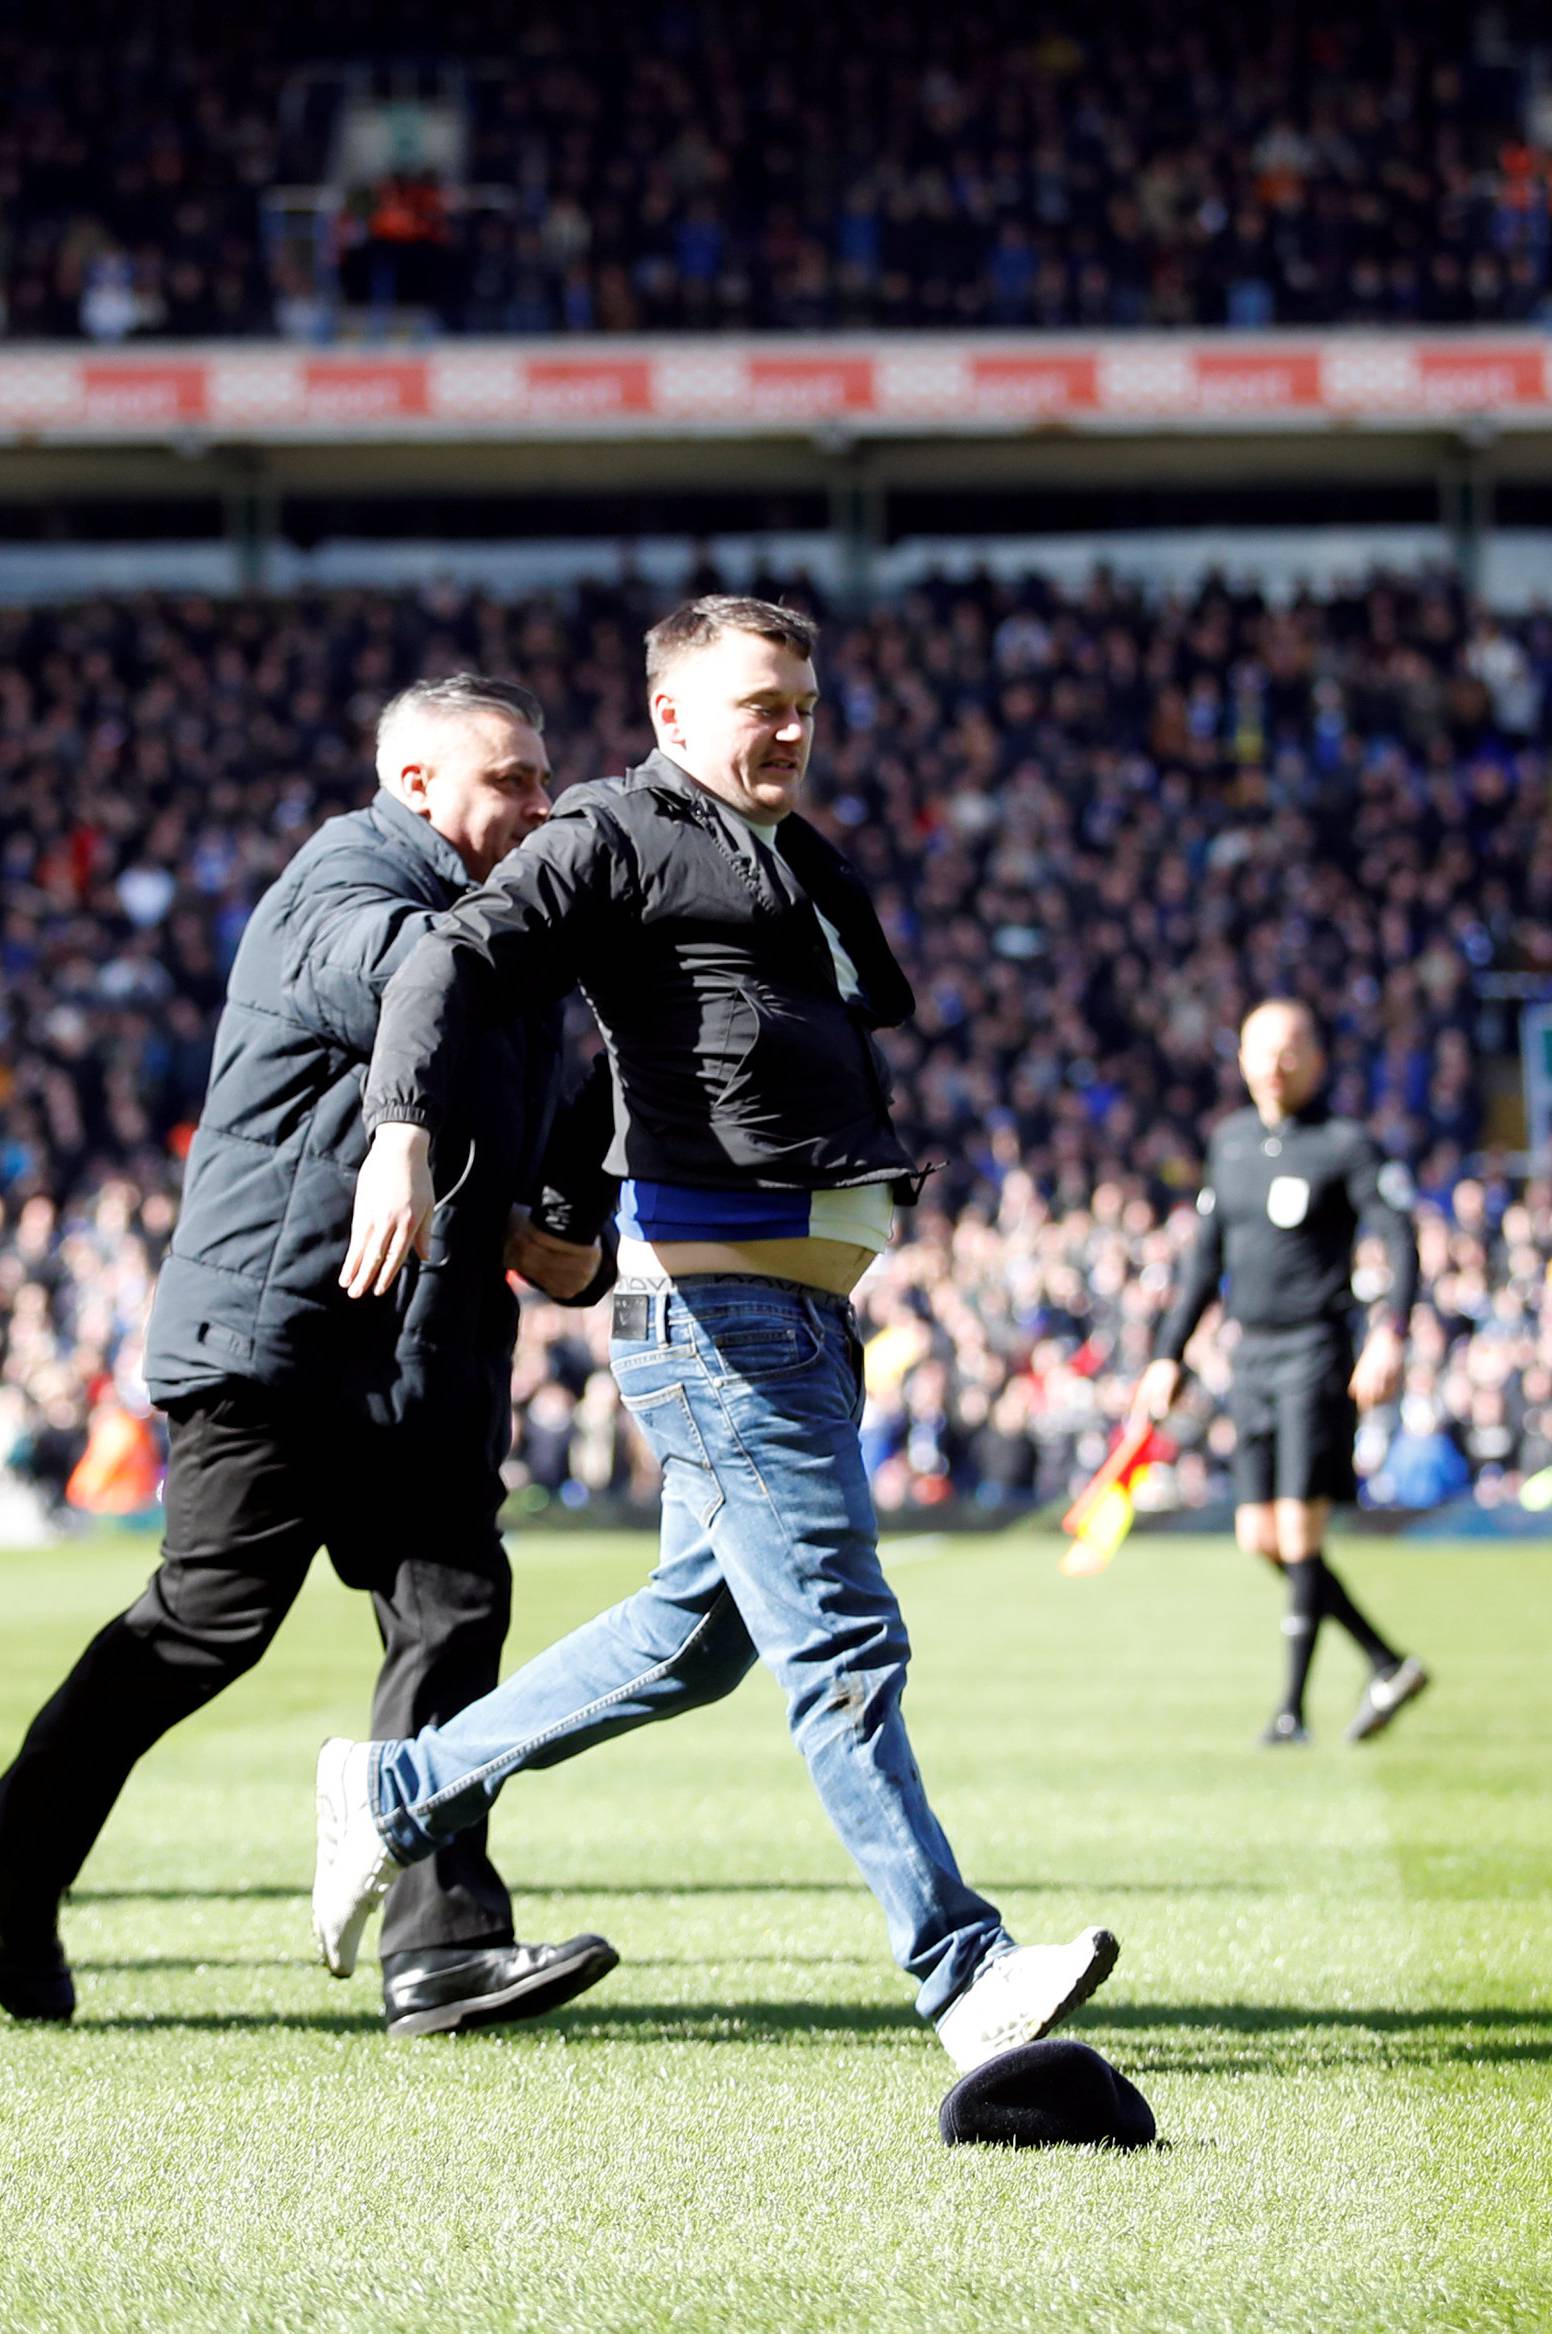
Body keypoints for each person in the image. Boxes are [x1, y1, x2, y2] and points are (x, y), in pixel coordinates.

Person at [315, 595, 1118, 2073]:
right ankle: (964, 1969)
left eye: (806, 698)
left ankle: (395, 1788)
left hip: (797, 1304)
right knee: (843, 1638)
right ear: (673, 717)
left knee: (692, 1641)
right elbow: (450, 960)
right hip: (718, 1310)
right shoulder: (614, 834)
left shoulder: (791, 852)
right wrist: (402, 1131)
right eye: (763, 701)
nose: (794, 726)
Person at [0, 676, 623, 2037]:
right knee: (203, 1626)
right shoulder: (340, 882)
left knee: (452, 1609)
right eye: (512, 780)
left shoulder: (512, 939)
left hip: (423, 1350)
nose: (540, 801)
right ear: (415, 785)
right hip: (280, 1332)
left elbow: (520, 1140)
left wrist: (572, 1227)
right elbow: (414, 989)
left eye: (544, 778)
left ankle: (443, 1947)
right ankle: (5, 1886)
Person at [1130, 998, 1430, 1748]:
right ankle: (1385, 1659)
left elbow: (1401, 1238)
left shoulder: (1345, 1145)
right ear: (1240, 1059)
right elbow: (1203, 1264)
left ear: (1317, 1057)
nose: (1275, 1062)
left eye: (1292, 1047)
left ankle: (1291, 1712)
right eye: (1262, 1048)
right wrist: (1169, 1355)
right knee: (1257, 1534)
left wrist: (1389, 1334)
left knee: (1299, 1528)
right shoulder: (1228, 1144)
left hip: (1317, 1352)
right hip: (1249, 1356)